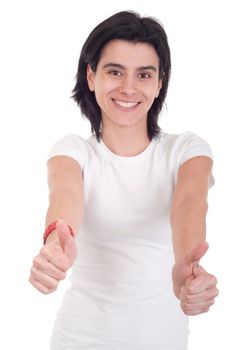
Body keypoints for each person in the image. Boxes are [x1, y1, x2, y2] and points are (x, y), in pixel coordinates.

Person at [29, 10, 219, 350]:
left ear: (160, 83)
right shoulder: (72, 151)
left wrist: (185, 266)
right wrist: (54, 244)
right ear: (91, 76)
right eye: (115, 71)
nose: (128, 88)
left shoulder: (187, 150)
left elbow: (190, 203)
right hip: (77, 341)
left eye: (144, 74)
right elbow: (64, 196)